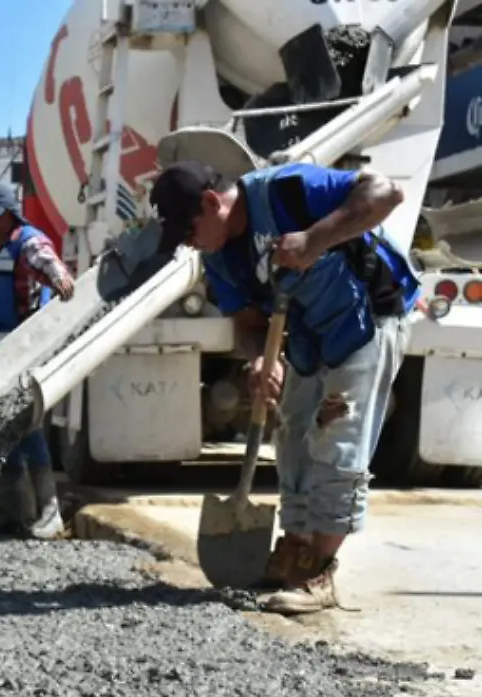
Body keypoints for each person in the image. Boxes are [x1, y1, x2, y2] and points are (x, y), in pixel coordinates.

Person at [149, 160, 418, 614]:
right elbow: (248, 323)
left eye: (187, 229)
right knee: (292, 435)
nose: (187, 242)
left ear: (212, 202)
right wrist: (260, 357)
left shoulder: (287, 190)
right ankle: (295, 551)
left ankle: (319, 572)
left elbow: (387, 193)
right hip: (312, 333)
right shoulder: (219, 257)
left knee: (339, 437)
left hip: (370, 319)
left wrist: (315, 239)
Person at [0, 182, 76, 540]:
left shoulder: (26, 241)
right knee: (0, 433)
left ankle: (49, 512)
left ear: (11, 215)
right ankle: (13, 511)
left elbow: (46, 260)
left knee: (27, 428)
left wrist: (59, 277)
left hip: (21, 355)